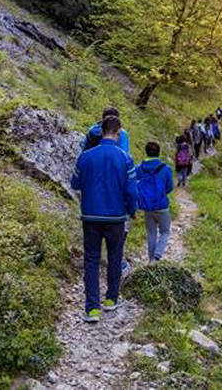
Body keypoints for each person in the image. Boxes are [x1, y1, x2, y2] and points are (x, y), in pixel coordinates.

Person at [71, 116, 138, 322]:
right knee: (114, 258)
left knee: (91, 260)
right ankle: (111, 299)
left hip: (90, 216)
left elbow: (75, 183)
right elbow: (132, 191)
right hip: (116, 217)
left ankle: (91, 309)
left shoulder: (85, 157)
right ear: (118, 133)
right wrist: (132, 210)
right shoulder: (125, 158)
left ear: (101, 131)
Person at [82, 107, 133, 274]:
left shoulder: (91, 131)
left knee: (91, 252)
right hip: (115, 191)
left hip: (92, 192)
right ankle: (118, 266)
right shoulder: (122, 134)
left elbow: (82, 153)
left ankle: (92, 296)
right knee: (119, 229)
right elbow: (125, 158)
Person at [136, 142, 174, 262]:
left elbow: (133, 181)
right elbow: (170, 187)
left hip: (147, 206)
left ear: (146, 152)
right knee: (165, 231)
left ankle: (151, 260)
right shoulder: (166, 169)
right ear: (159, 152)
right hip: (162, 206)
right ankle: (157, 256)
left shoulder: (140, 168)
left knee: (151, 233)